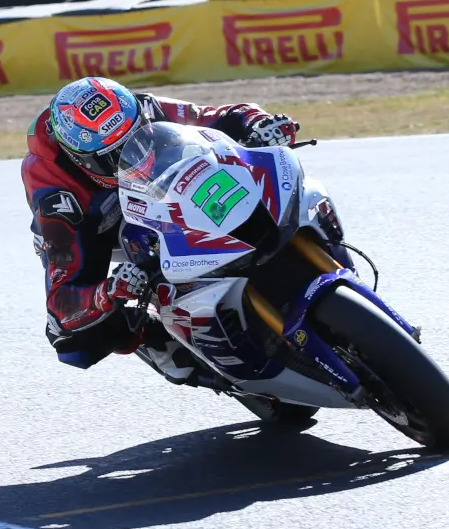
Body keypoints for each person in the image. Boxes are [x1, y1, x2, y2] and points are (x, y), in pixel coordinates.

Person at [23, 77, 299, 381]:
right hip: (97, 225)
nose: (132, 154)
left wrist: (259, 123)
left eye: (135, 135)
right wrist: (108, 291)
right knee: (71, 339)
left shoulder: (138, 107)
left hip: (159, 184)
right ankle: (159, 340)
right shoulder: (54, 190)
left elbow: (213, 116)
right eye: (113, 155)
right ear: (80, 158)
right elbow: (62, 304)